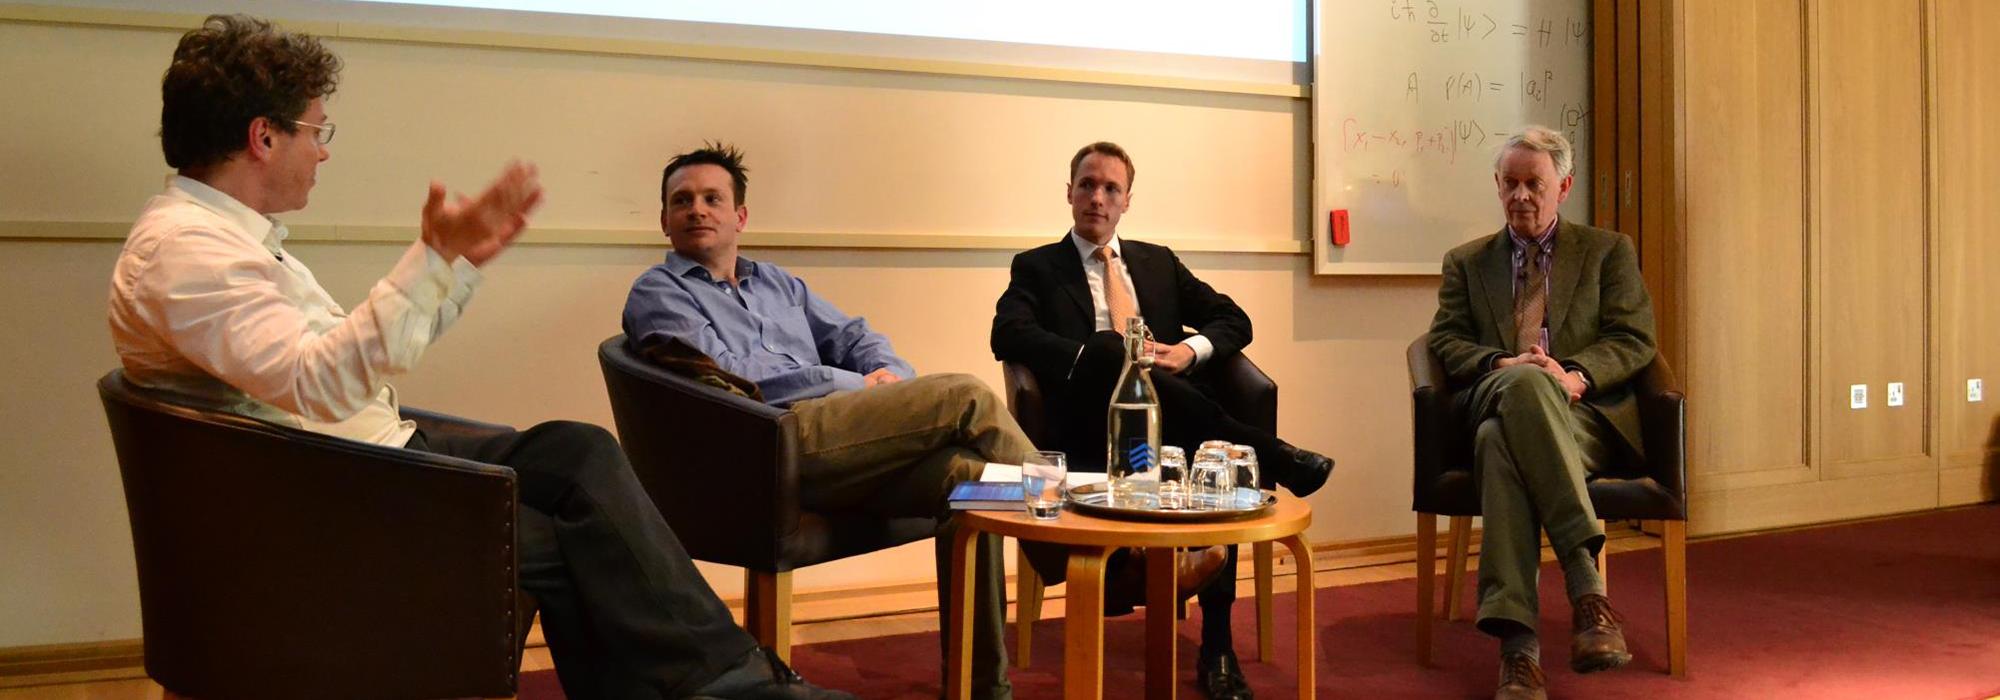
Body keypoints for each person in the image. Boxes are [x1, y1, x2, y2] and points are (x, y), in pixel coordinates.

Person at [106, 15, 848, 700]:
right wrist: (430, 258)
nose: (323, 148)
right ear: (264, 137)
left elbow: (337, 371)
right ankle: (745, 687)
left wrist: (451, 266)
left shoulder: (223, 239)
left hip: (352, 458)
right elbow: (320, 385)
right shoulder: (189, 254)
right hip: (327, 500)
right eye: (316, 130)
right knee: (576, 541)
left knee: (580, 453)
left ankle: (730, 681)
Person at [621, 143, 1230, 700]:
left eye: (711, 199)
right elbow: (731, 377)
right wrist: (853, 384)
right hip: (770, 444)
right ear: (664, 220)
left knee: (980, 486)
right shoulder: (660, 292)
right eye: (682, 201)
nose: (697, 210)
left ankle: (982, 689)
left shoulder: (776, 282)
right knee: (964, 395)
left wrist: (884, 372)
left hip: (845, 437)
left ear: (740, 216)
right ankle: (1096, 556)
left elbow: (854, 335)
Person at [989, 141, 1336, 700]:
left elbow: (1233, 318)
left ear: (1127, 201)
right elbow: (1007, 333)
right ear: (1069, 192)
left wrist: (1188, 352)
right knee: (1110, 350)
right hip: (1090, 423)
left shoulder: (1157, 261)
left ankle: (1218, 648)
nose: (1097, 198)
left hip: (1176, 423)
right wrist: (1093, 359)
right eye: (1087, 185)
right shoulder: (1037, 266)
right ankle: (1272, 454)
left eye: (1110, 189)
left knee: (1208, 457)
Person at [1426, 125, 1658, 700]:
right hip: (1496, 387)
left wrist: (1576, 375)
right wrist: (1504, 362)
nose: (1521, 195)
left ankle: (1519, 654)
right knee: (1523, 386)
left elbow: (1635, 339)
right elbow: (1447, 340)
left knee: (1498, 447)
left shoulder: (1608, 252)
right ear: (1497, 186)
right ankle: (1587, 589)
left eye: (1534, 183)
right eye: (1510, 183)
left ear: (1564, 186)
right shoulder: (1467, 261)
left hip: (1582, 414)